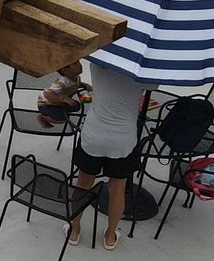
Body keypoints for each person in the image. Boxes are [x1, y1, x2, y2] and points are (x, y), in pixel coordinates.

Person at [67, 59, 149, 251]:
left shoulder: (99, 65)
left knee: (83, 183)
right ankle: (110, 236)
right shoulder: (143, 73)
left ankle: (74, 230)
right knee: (117, 189)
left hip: (94, 134)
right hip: (123, 139)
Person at [36, 58, 88, 126]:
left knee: (77, 106)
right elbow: (47, 94)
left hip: (59, 102)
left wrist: (85, 85)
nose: (80, 65)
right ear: (65, 70)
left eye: (78, 62)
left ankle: (60, 111)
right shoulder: (61, 83)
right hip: (46, 104)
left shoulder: (76, 78)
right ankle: (42, 117)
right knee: (62, 119)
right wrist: (63, 99)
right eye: (75, 64)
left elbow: (77, 84)